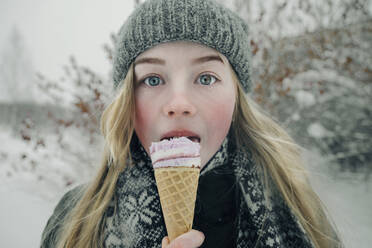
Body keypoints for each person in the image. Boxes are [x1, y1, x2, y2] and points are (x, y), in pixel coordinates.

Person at [40, 0, 343, 247]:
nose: (179, 104)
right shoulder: (74, 219)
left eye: (206, 78)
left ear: (237, 98)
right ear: (127, 103)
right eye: (153, 79)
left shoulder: (298, 207)